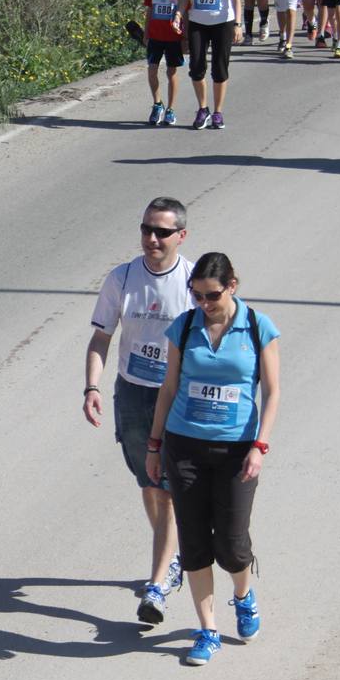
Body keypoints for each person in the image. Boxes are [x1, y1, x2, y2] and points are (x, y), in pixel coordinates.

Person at [146, 253, 281, 667]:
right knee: (195, 543)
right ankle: (207, 631)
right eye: (197, 295)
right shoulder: (184, 328)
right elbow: (168, 389)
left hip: (237, 450)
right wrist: (154, 446)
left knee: (233, 543)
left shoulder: (258, 327)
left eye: (212, 295)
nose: (204, 304)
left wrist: (259, 447)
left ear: (233, 285)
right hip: (184, 445)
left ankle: (243, 595)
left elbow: (272, 392)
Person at [83, 198, 194, 626]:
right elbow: (101, 339)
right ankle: (169, 555)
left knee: (163, 488)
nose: (152, 238)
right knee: (148, 482)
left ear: (180, 236)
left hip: (176, 398)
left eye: (162, 232)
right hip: (131, 393)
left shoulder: (190, 281)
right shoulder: (123, 277)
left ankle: (157, 586)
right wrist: (92, 385)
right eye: (147, 229)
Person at [174, 0, 244, 129]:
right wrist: (179, 13)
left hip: (223, 21)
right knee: (196, 67)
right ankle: (202, 109)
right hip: (198, 21)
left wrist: (238, 24)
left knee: (219, 69)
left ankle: (218, 112)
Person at [144, 0, 187, 125]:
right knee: (152, 69)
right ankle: (157, 104)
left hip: (173, 38)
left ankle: (170, 109)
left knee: (172, 72)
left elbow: (187, 13)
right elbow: (149, 11)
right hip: (155, 36)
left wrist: (186, 38)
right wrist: (146, 33)